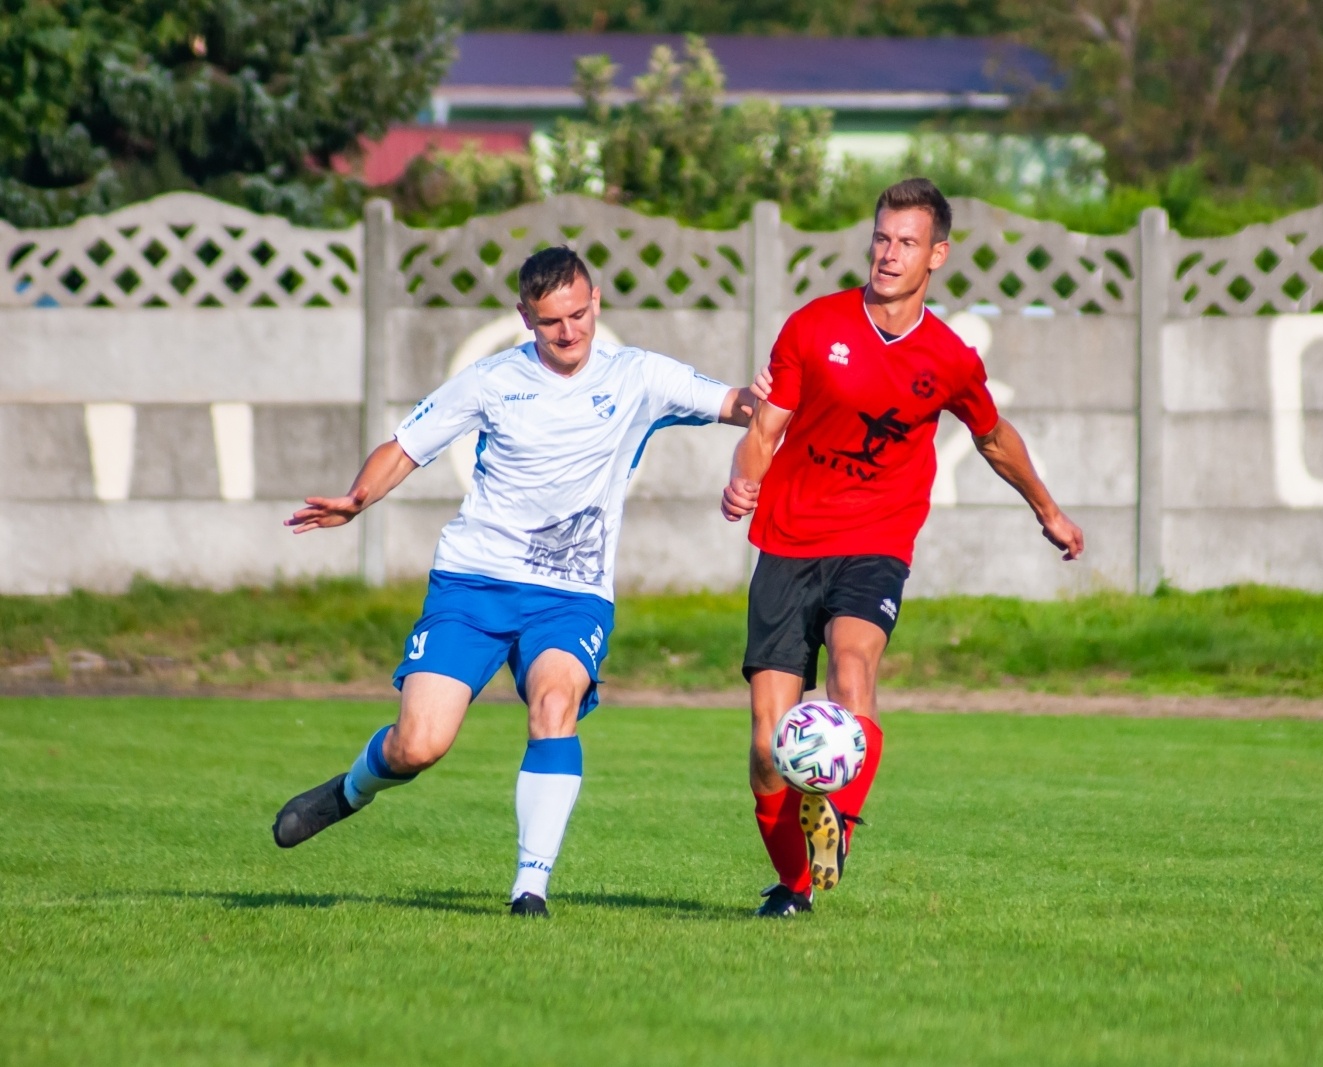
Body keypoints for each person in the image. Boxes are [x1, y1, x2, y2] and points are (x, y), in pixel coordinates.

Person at [272, 246, 760, 918]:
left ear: (596, 302)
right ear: (525, 317)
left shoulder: (639, 375)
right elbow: (407, 445)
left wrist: (782, 392)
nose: (571, 332)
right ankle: (350, 789)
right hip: (473, 585)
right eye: (553, 320)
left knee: (554, 703)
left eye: (581, 313)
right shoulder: (491, 380)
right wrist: (357, 499)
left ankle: (529, 887)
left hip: (570, 594)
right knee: (419, 744)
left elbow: (738, 403)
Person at [721, 178, 1086, 917]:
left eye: (907, 242)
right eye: (882, 238)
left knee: (853, 674)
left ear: (937, 255)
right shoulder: (813, 325)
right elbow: (767, 426)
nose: (889, 254)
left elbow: (992, 437)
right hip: (788, 540)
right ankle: (794, 886)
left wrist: (1047, 508)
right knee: (767, 748)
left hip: (875, 540)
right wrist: (742, 482)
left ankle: (839, 826)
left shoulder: (948, 357)